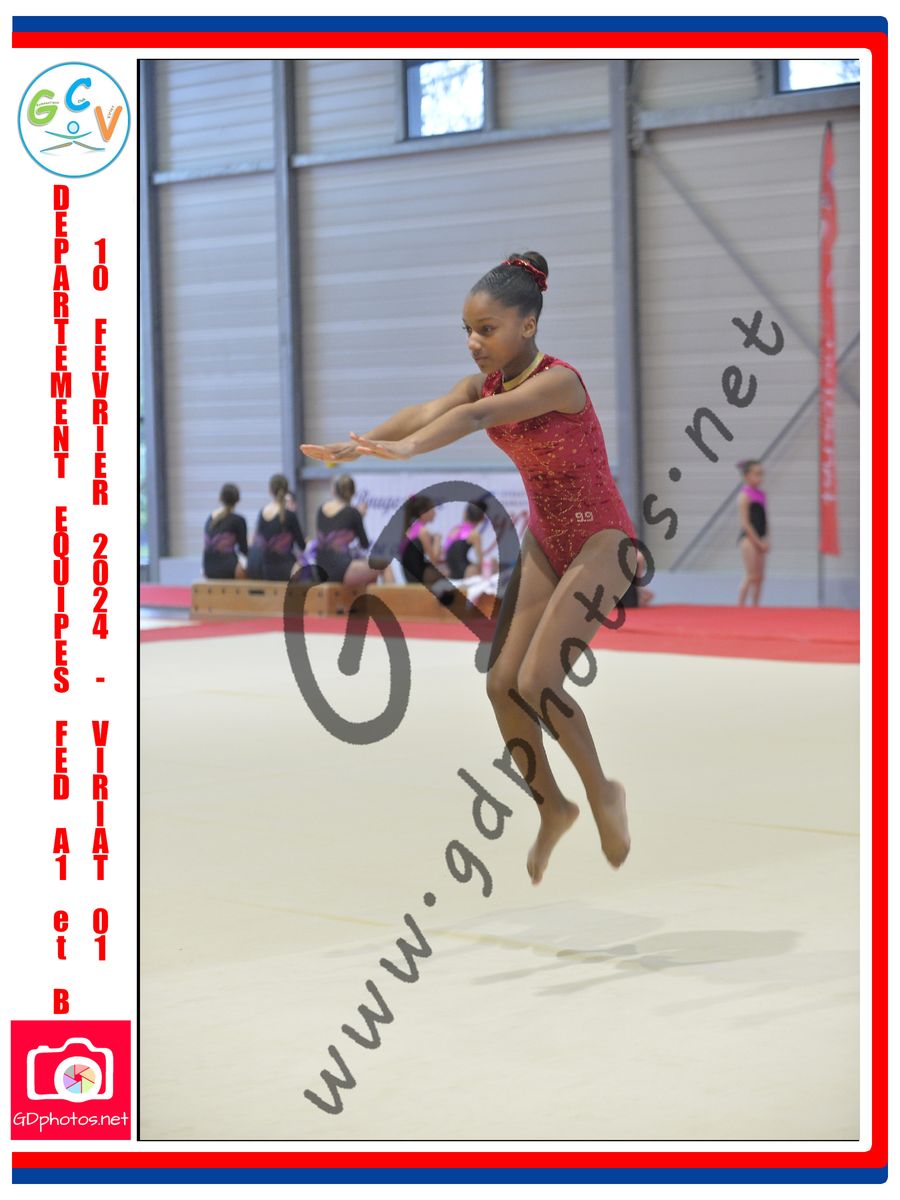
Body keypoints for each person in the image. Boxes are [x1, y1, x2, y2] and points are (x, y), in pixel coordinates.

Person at [300, 251, 638, 885]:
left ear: (528, 326)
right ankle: (554, 806)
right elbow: (431, 409)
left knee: (538, 679)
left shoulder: (559, 382)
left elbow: (474, 417)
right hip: (548, 538)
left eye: (487, 329)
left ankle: (602, 793)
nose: (474, 342)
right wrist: (360, 444)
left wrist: (408, 449)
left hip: (604, 541)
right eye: (467, 330)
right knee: (501, 683)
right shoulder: (485, 383)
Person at [313, 474, 394, 586]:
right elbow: (364, 544)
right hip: (340, 570)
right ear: (353, 493)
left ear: (334, 491)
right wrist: (360, 516)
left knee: (369, 575)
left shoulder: (320, 510)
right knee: (384, 565)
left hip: (320, 569)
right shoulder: (353, 513)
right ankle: (394, 598)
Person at [247, 473, 307, 581]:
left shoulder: (262, 513)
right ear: (287, 491)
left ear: (270, 491)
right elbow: (302, 546)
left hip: (264, 569)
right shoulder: (290, 515)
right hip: (284, 569)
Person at [736, 459, 769, 606]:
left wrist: (766, 539)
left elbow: (764, 519)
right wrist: (757, 542)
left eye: (761, 474)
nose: (759, 477)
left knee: (760, 577)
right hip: (749, 539)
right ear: (747, 476)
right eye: (756, 474)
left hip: (760, 538)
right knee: (751, 575)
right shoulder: (744, 496)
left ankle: (755, 607)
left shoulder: (762, 495)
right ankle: (740, 607)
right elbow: (745, 523)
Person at [202, 483, 248, 579]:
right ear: (238, 500)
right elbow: (243, 549)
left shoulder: (210, 518)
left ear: (220, 498)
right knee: (250, 571)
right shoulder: (238, 520)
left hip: (207, 568)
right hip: (227, 568)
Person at [445, 500, 487, 579]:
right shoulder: (474, 534)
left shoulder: (455, 529)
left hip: (450, 570)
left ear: (465, 514)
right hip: (464, 571)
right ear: (482, 519)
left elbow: (447, 551)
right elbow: (481, 561)